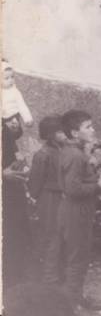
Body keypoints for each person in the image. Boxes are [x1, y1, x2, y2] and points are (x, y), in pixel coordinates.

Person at [57, 110, 101, 311]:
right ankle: (69, 307)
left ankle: (76, 297)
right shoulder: (75, 155)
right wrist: (97, 185)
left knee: (77, 258)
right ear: (75, 133)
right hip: (76, 214)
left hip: (77, 212)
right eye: (88, 126)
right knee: (77, 260)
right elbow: (73, 188)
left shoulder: (73, 151)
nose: (93, 130)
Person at [29, 116, 65, 281]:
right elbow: (35, 182)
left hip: (62, 198)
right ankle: (48, 275)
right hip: (49, 199)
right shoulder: (42, 155)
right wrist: (35, 196)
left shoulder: (63, 151)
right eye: (60, 131)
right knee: (52, 234)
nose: (64, 134)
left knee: (60, 234)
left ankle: (55, 271)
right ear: (51, 134)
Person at [2, 112, 31, 291]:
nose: (14, 123)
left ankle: (15, 281)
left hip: (14, 196)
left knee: (17, 234)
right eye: (7, 120)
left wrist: (23, 168)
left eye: (16, 118)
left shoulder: (10, 142)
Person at [3, 60, 33, 126]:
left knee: (14, 129)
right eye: (6, 78)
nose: (10, 80)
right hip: (2, 117)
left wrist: (27, 118)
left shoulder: (15, 91)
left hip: (13, 116)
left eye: (12, 77)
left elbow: (21, 105)